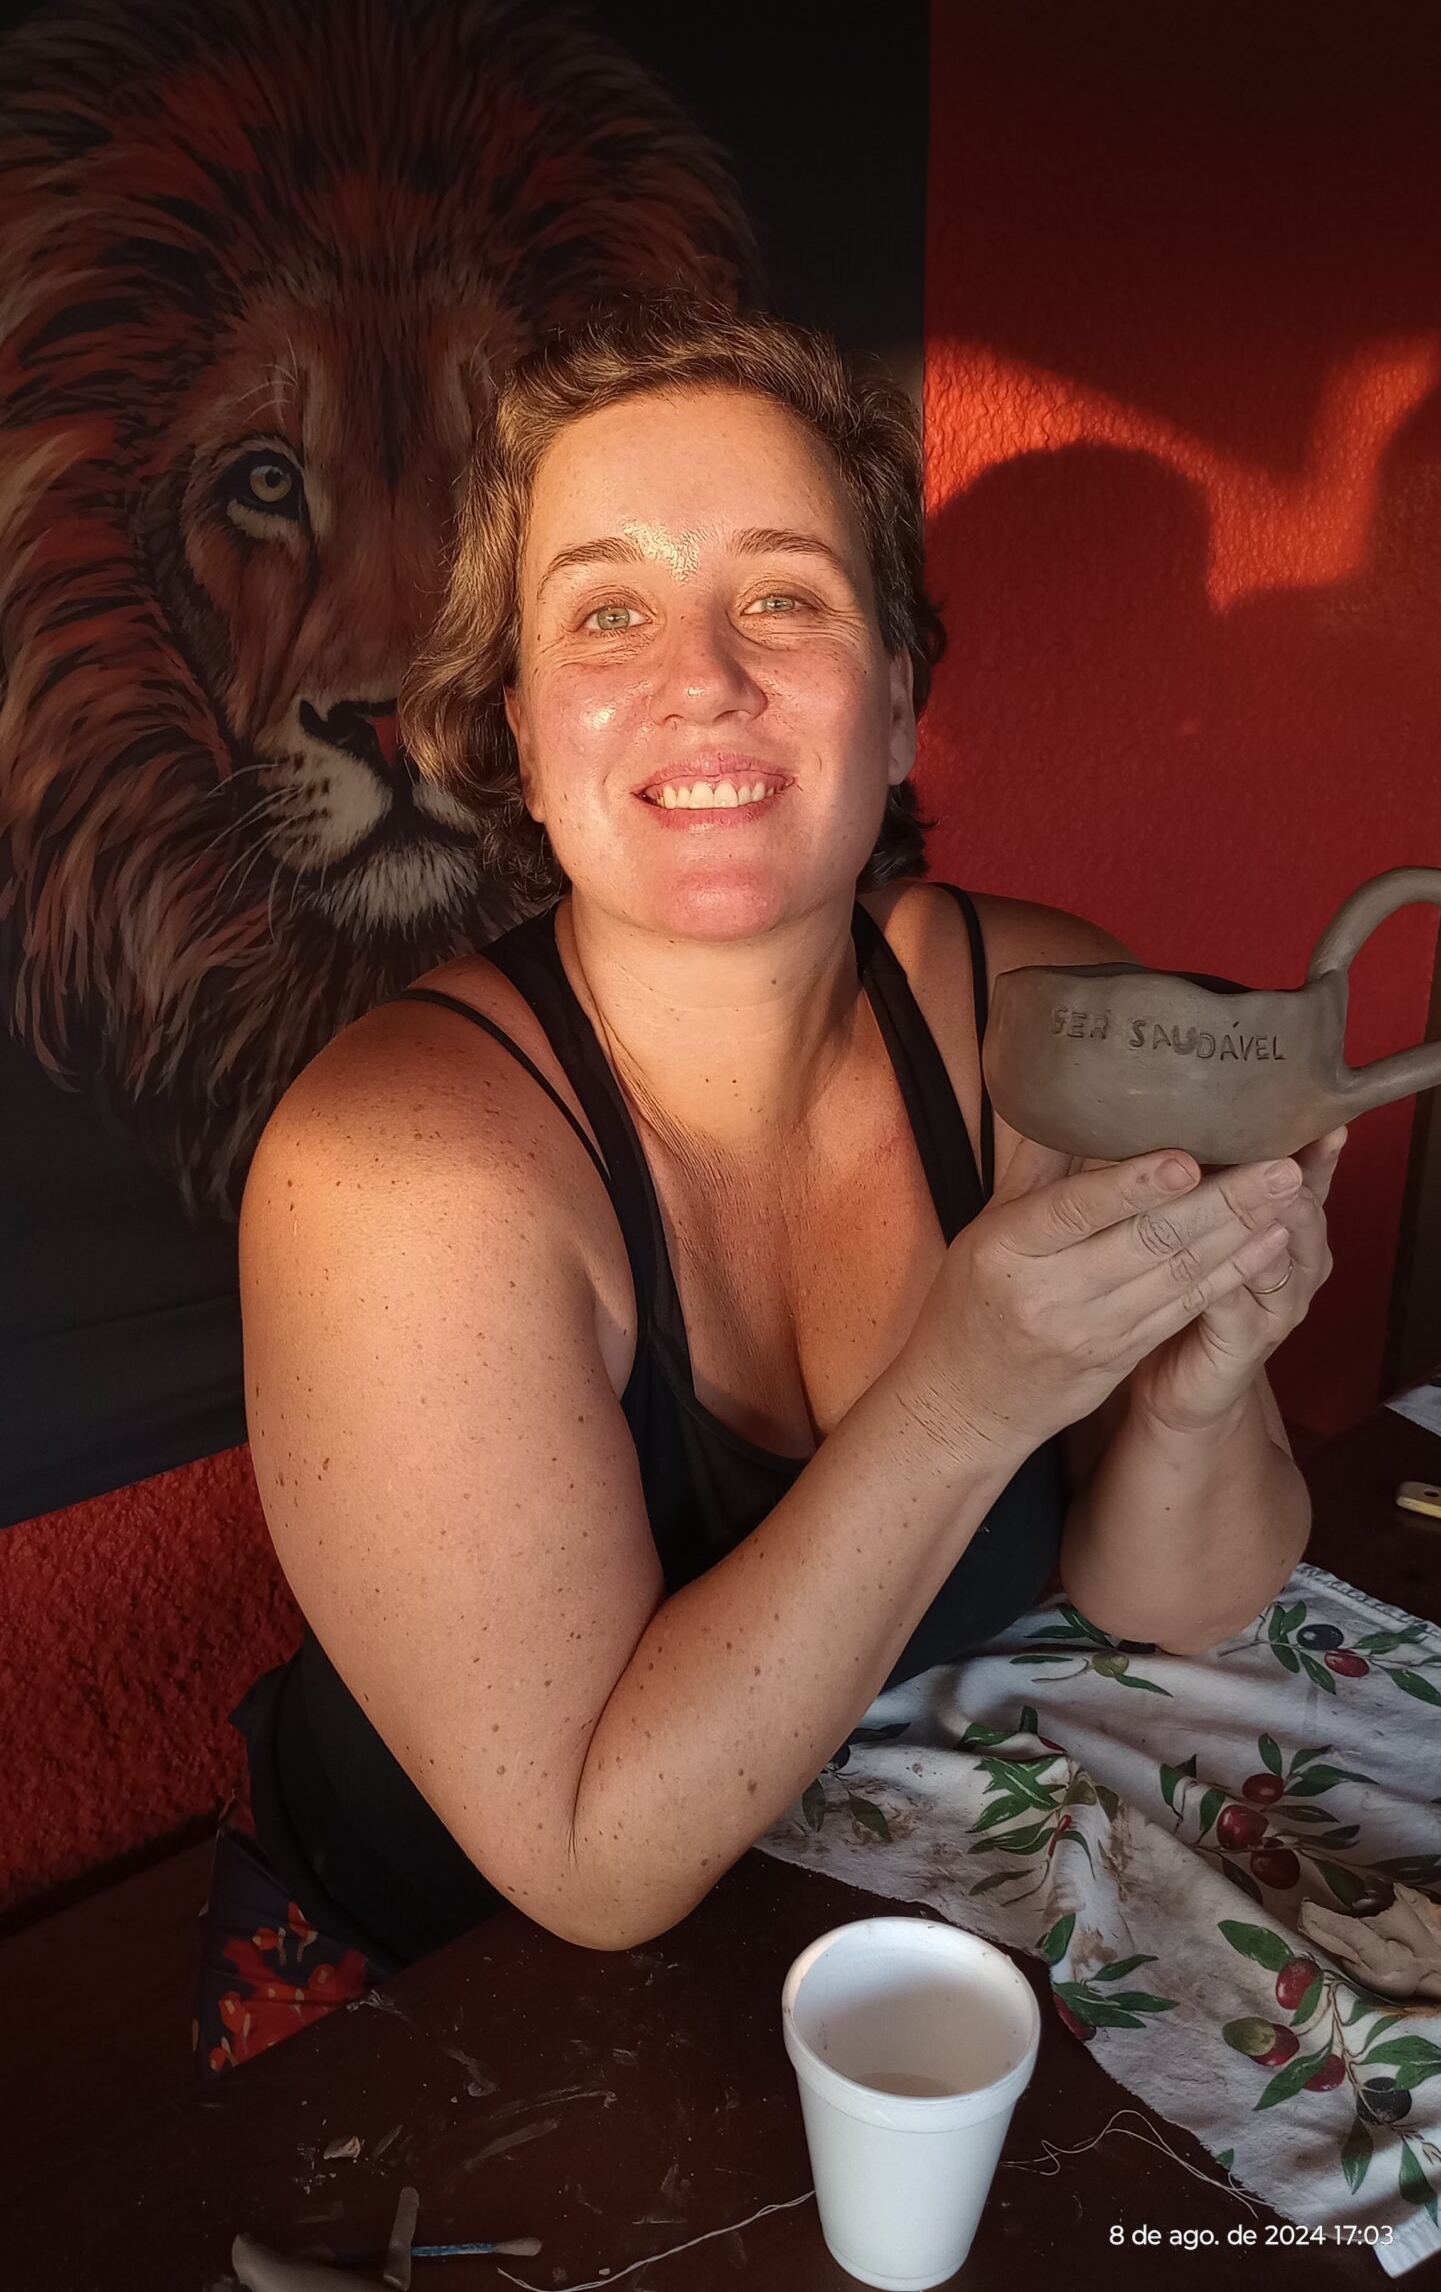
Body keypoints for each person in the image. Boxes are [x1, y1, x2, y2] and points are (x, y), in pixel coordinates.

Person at [197, 295, 1338, 2069]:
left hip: (873, 1919)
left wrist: (1198, 1393)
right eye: (607, 612)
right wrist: (966, 1398)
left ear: (897, 706)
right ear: (517, 731)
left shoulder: (1034, 1014)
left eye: (785, 599)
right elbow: (588, 1862)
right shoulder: (397, 1173)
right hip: (438, 2008)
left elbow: (1174, 1604)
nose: (703, 679)